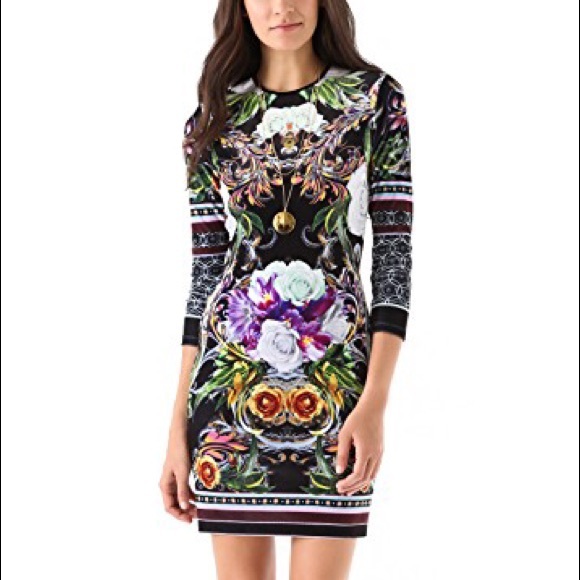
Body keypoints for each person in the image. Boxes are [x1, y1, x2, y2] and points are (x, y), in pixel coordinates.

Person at [160, 1, 414, 578]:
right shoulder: (211, 121)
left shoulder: (375, 101)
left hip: (337, 397)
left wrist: (375, 402)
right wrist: (176, 427)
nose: (281, 7)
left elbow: (394, 261)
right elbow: (205, 279)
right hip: (227, 402)